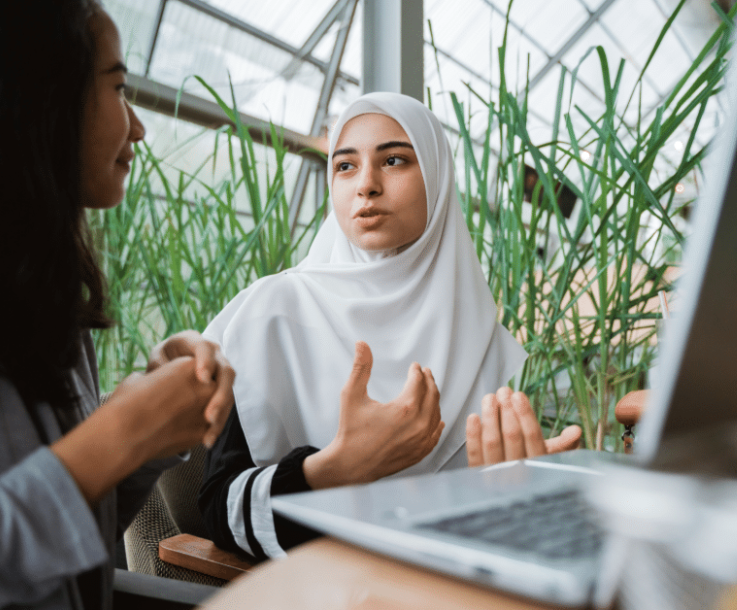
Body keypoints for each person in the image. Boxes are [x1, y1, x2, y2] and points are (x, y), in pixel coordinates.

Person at [167, 92, 582, 563]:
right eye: (345, 166)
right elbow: (221, 513)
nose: (366, 184)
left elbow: (461, 522)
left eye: (395, 160)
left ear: (438, 180)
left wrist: (516, 488)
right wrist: (334, 468)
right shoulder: (272, 312)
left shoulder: (477, 337)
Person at [0, 1, 233, 608]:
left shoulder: (42, 287)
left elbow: (69, 541)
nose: (138, 128)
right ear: (34, 95)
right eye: (118, 87)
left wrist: (144, 421)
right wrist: (119, 433)